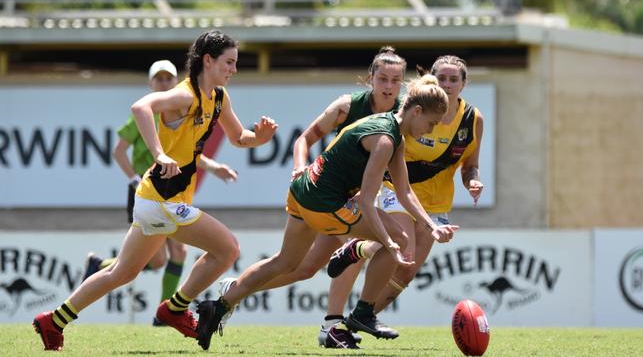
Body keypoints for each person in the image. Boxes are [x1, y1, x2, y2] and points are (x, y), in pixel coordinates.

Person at [32, 30, 277, 351]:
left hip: (153, 199)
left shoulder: (218, 97)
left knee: (121, 272)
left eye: (235, 63)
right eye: (229, 62)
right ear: (208, 60)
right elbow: (140, 107)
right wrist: (159, 153)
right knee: (228, 249)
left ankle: (54, 320)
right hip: (162, 200)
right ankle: (175, 308)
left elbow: (237, 137)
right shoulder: (185, 95)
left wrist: (258, 138)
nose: (233, 69)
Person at [195, 73, 459, 351]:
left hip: (303, 191)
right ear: (416, 111)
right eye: (431, 123)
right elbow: (367, 202)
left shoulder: (392, 135)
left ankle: (218, 305)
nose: (430, 130)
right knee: (400, 240)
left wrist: (431, 226)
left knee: (285, 262)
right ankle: (363, 310)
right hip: (323, 203)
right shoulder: (385, 140)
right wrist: (388, 243)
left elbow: (404, 192)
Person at [214, 45, 406, 347]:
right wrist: (299, 167)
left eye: (396, 81)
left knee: (302, 269)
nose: (389, 86)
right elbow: (304, 139)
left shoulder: (403, 114)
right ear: (370, 78)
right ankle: (334, 321)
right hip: (328, 196)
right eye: (383, 79)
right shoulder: (346, 106)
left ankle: (236, 291)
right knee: (360, 247)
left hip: (353, 199)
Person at [326, 55, 484, 334]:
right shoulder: (412, 109)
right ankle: (357, 249)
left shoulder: (471, 119)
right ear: (432, 81)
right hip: (397, 188)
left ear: (464, 84)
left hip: (436, 201)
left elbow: (470, 165)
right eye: (442, 79)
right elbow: (382, 143)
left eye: (453, 79)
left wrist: (473, 181)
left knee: (407, 269)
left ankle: (358, 319)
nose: (447, 85)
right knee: (403, 245)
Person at [82, 59, 239, 327]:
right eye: (159, 79)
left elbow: (187, 154)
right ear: (150, 84)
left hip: (172, 191)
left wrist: (213, 167)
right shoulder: (146, 115)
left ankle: (156, 307)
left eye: (169, 79)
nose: (164, 83)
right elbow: (119, 150)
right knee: (166, 256)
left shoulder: (183, 110)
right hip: (148, 190)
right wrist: (133, 177)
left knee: (163, 259)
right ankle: (167, 313)